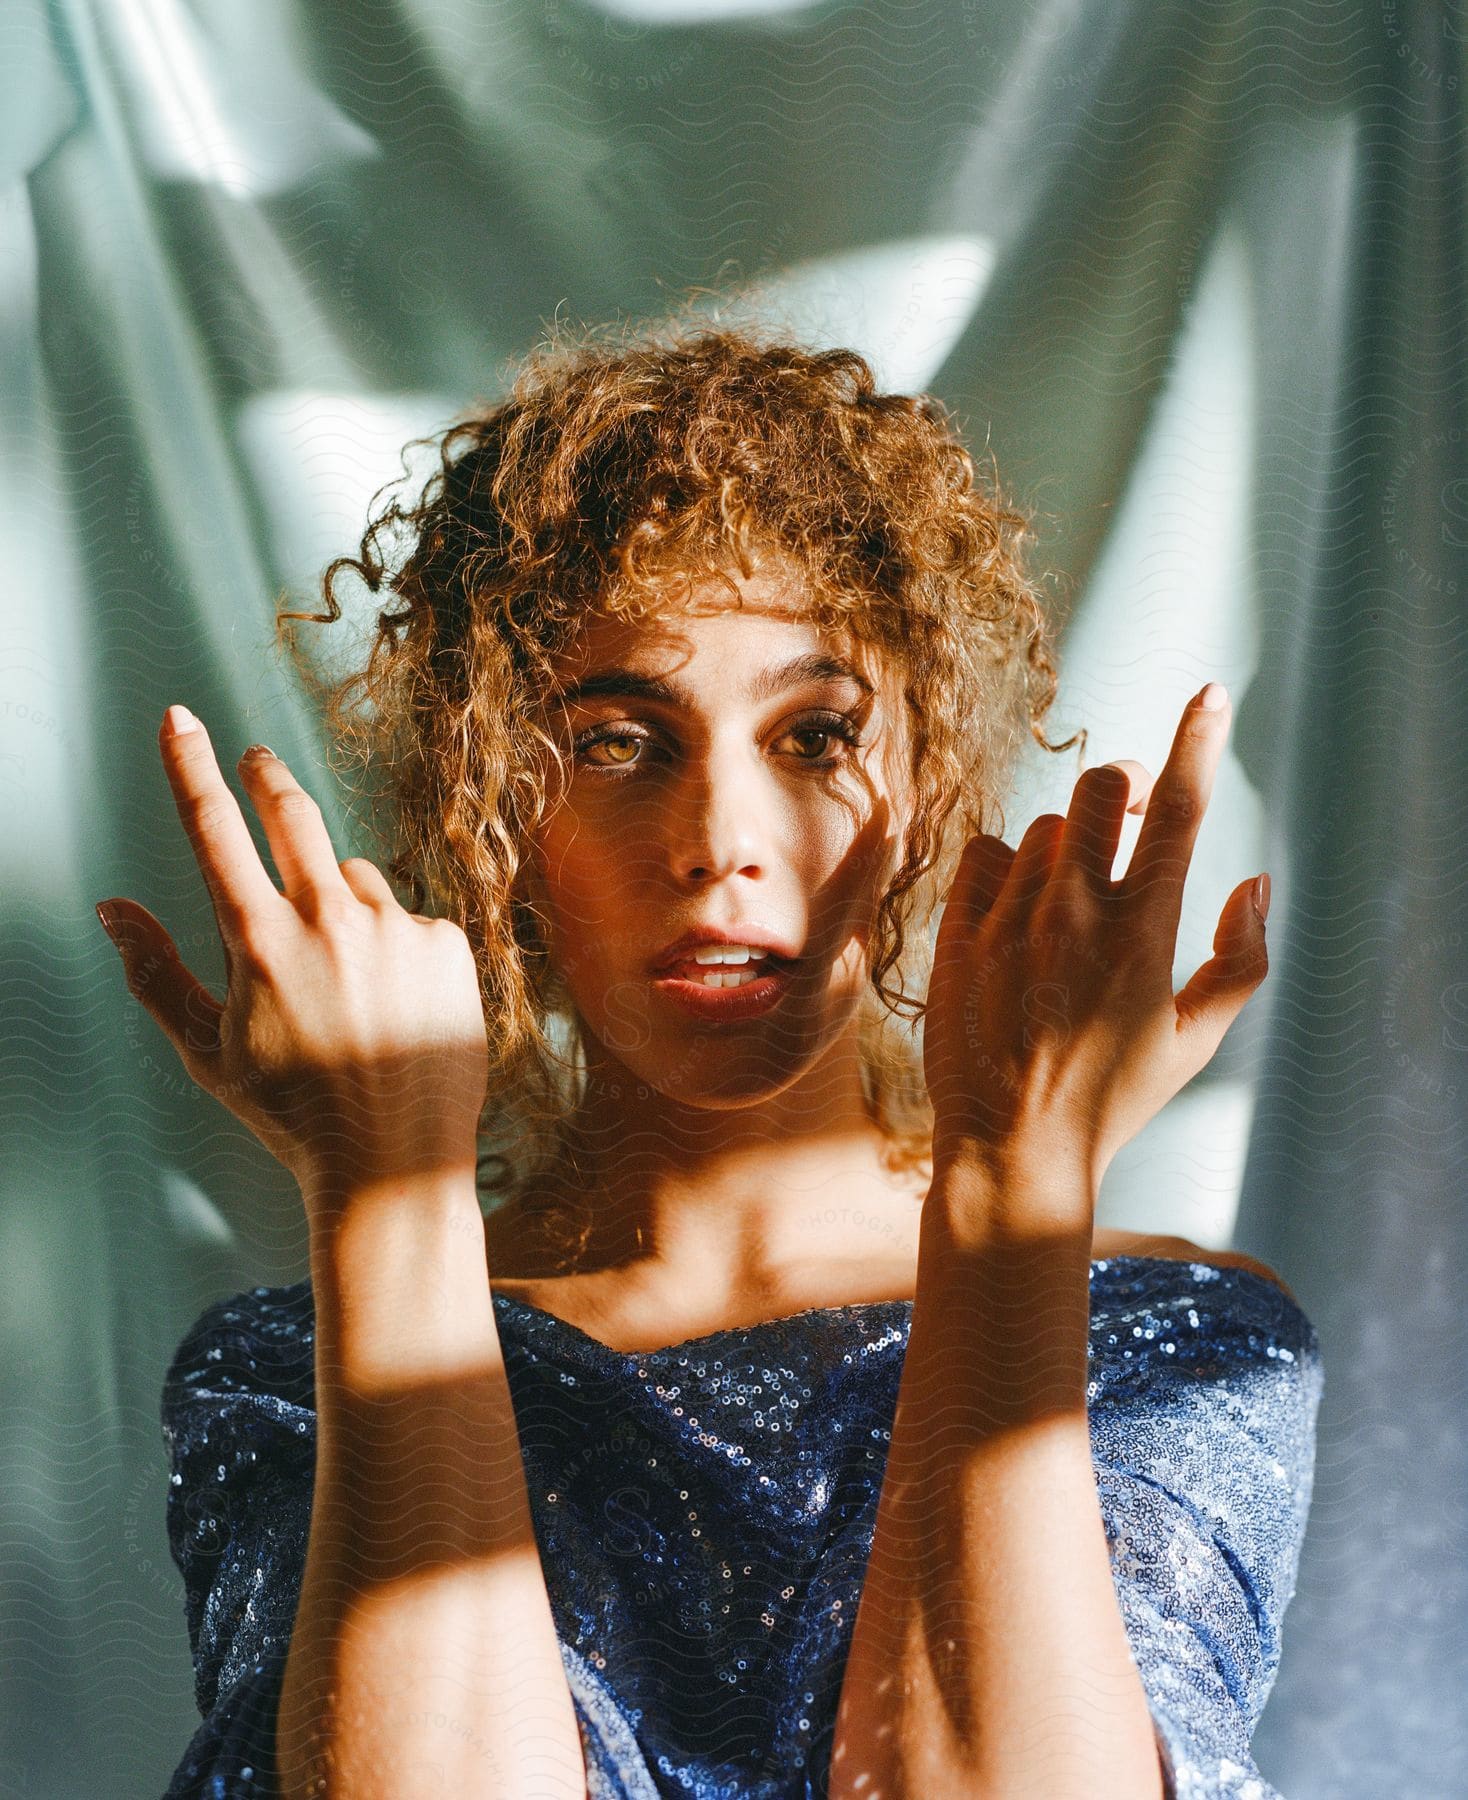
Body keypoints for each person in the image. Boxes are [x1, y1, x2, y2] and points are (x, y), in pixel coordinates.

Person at [97, 324, 1323, 1799]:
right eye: (620, 743)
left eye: (816, 736)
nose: (721, 843)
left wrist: (1015, 1198)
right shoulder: (284, 1382)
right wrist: (382, 1192)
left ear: (926, 788)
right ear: (498, 813)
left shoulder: (1176, 1344)